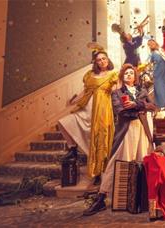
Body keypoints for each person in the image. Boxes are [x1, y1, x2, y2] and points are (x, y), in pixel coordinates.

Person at [83, 64, 156, 216]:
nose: (129, 75)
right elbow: (120, 111)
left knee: (143, 162)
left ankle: (141, 199)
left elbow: (153, 106)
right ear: (122, 77)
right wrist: (140, 110)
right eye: (126, 73)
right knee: (118, 162)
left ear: (135, 76)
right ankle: (101, 198)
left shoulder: (142, 91)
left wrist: (136, 104)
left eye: (131, 73)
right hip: (127, 131)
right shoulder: (117, 93)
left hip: (143, 130)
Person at [57, 48, 118, 186]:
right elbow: (85, 91)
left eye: (104, 59)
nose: (102, 61)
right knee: (63, 122)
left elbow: (116, 92)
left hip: (102, 110)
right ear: (96, 62)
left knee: (98, 141)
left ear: (108, 60)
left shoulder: (113, 74)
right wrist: (73, 101)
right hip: (86, 108)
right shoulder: (90, 75)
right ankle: (72, 148)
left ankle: (100, 173)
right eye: (99, 60)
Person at [147, 38, 165, 110]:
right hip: (158, 73)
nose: (151, 45)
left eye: (152, 43)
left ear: (155, 42)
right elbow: (148, 64)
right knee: (160, 89)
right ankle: (163, 106)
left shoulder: (161, 50)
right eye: (149, 44)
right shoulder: (151, 54)